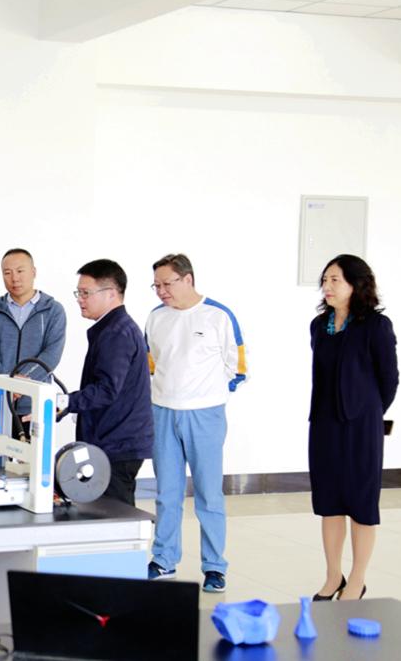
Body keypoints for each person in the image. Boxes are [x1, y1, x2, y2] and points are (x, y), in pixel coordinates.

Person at [144, 253, 247, 594]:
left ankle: (215, 567)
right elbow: (150, 364)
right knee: (167, 493)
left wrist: (209, 394)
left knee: (209, 495)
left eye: (167, 284)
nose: (161, 291)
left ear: (187, 279)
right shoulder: (156, 317)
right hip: (163, 413)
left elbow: (237, 368)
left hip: (205, 415)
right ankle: (163, 559)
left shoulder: (218, 315)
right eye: (156, 285)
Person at [309, 254, 398, 602]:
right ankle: (334, 576)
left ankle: (357, 581)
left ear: (356, 284)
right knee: (329, 502)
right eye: (325, 280)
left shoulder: (376, 325)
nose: (327, 286)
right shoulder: (320, 326)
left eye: (335, 280)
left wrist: (369, 412)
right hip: (324, 424)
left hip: (362, 427)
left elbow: (389, 379)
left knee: (361, 503)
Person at [60, 259, 152, 506]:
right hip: (113, 439)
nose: (80, 299)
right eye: (78, 293)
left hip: (117, 443)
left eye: (85, 293)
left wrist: (66, 402)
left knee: (115, 513)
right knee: (107, 511)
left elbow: (106, 390)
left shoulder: (116, 333)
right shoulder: (111, 328)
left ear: (111, 293)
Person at [0, 248, 66, 428]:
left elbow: (51, 354)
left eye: (20, 271)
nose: (14, 278)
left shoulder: (53, 310)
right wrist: (8, 383)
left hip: (34, 406)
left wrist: (21, 383)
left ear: (34, 272)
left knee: (31, 448)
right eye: (7, 273)